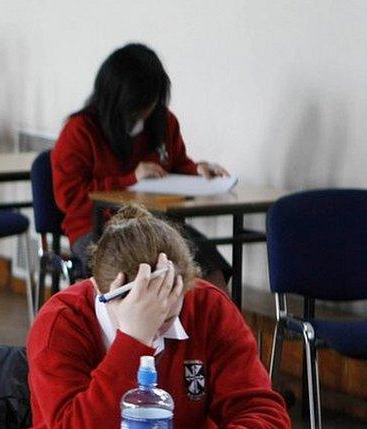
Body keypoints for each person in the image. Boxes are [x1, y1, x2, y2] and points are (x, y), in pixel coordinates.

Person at [9, 204, 291, 429]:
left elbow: (265, 412)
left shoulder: (207, 308)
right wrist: (132, 342)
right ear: (105, 294)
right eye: (149, 316)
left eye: (169, 315)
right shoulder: (62, 321)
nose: (160, 333)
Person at [52, 43, 232, 287]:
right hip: (96, 228)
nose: (149, 108)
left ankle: (212, 326)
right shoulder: (80, 130)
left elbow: (175, 164)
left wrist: (197, 170)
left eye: (154, 98)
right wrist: (129, 179)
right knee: (139, 280)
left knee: (210, 273)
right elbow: (68, 195)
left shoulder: (163, 122)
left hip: (159, 224)